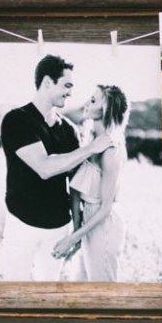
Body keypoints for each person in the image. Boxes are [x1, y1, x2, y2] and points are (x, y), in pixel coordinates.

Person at [0, 54, 114, 281]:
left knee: (48, 292)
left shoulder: (69, 130)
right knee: (13, 290)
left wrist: (76, 231)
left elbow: (76, 183)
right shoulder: (16, 120)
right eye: (67, 85)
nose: (71, 92)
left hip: (58, 229)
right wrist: (90, 148)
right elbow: (44, 167)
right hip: (22, 225)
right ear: (47, 82)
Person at [52, 84, 128, 281]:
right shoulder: (90, 140)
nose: (86, 103)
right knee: (81, 285)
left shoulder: (111, 150)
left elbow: (105, 208)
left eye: (93, 100)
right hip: (88, 222)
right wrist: (76, 228)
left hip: (104, 225)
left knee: (101, 293)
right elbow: (75, 189)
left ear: (105, 109)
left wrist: (71, 239)